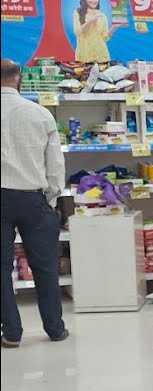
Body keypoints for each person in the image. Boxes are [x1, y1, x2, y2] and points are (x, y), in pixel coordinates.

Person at [1, 58, 69, 349]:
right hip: (34, 198)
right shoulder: (40, 114)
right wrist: (52, 198)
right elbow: (55, 165)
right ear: (18, 80)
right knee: (45, 267)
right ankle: (54, 328)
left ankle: (12, 333)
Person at [73, 0, 115, 64]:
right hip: (84, 56)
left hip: (101, 56)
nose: (93, 1)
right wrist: (91, 21)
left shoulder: (102, 15)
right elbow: (78, 32)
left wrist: (114, 27)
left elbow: (104, 37)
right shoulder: (78, 13)